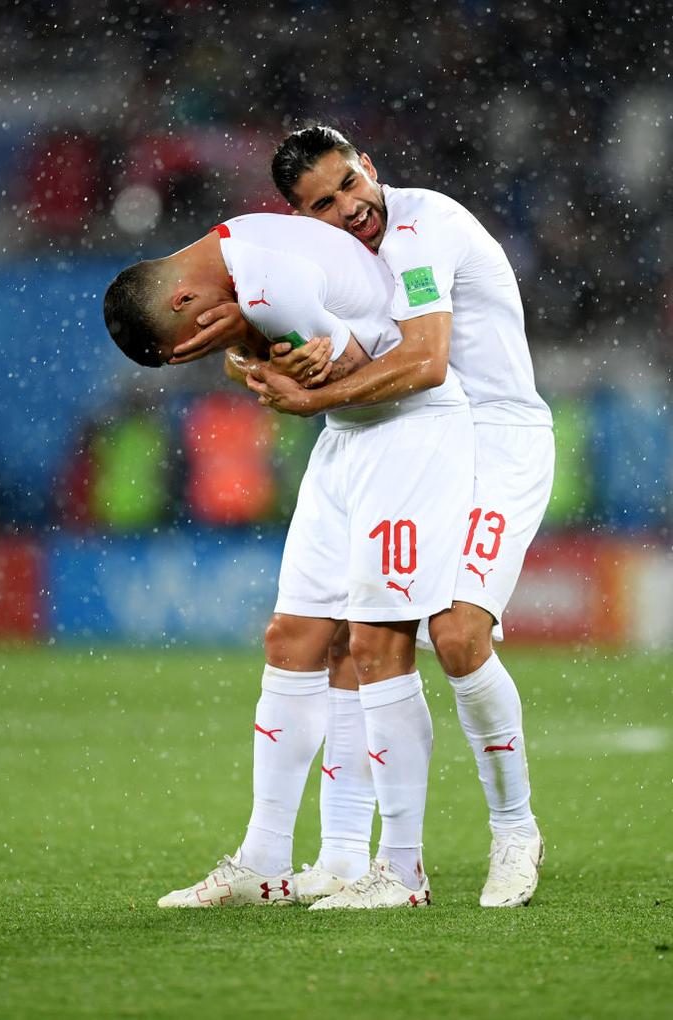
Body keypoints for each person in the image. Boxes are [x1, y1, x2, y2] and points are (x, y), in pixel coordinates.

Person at [182, 126, 554, 909]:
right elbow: (296, 330)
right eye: (324, 203)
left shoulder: (424, 228)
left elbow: (425, 361)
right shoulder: (325, 255)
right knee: (342, 638)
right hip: (401, 439)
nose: (350, 208)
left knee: (455, 635)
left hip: (494, 441)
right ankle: (342, 856)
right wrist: (258, 355)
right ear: (301, 215)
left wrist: (311, 394)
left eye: (351, 184)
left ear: (369, 166)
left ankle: (515, 830)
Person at [104, 212, 475, 908]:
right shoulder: (237, 251)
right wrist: (254, 350)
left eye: (184, 347)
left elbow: (373, 370)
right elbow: (311, 354)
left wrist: (262, 352)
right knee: (294, 638)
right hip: (348, 440)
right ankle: (267, 861)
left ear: (184, 301)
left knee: (376, 646)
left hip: (408, 438)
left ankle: (403, 870)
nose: (194, 355)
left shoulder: (265, 287)